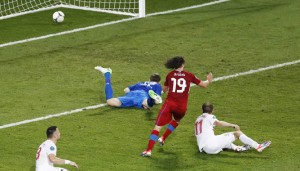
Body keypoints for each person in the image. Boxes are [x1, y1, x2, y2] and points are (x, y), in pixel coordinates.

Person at [141, 56, 213, 157]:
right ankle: (163, 138)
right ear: (183, 64)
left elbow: (164, 90)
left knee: (157, 127)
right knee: (176, 120)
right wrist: (208, 80)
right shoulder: (189, 75)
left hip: (169, 104)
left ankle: (148, 150)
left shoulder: (170, 75)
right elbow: (203, 85)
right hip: (181, 107)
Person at [195, 102, 271, 154]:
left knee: (222, 138)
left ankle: (237, 148)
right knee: (237, 134)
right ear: (212, 110)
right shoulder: (210, 116)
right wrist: (233, 125)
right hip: (211, 145)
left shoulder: (198, 119)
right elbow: (219, 123)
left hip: (205, 148)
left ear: (202, 110)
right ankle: (258, 146)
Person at [95, 66, 162, 110]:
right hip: (143, 95)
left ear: (149, 79)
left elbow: (126, 90)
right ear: (159, 81)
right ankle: (151, 100)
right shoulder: (157, 85)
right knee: (149, 105)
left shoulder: (141, 83)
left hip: (132, 94)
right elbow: (158, 96)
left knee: (109, 101)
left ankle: (107, 74)